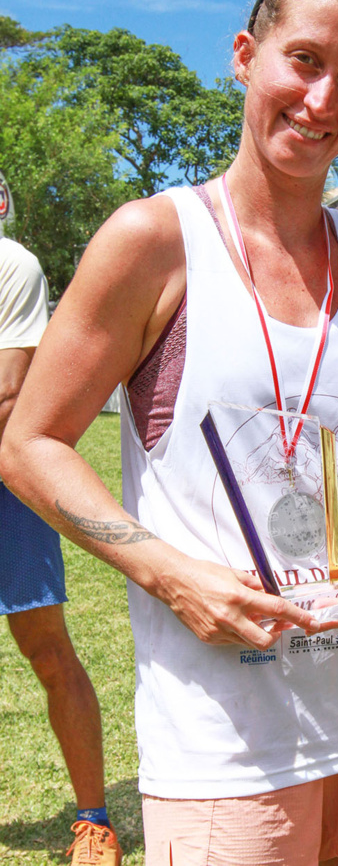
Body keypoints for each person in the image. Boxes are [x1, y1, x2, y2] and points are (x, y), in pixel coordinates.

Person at [1, 0, 338, 866]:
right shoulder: (152, 241)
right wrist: (173, 575)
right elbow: (29, 443)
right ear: (247, 57)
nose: (320, 99)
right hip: (227, 737)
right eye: (304, 60)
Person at [0, 236, 122, 866]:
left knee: (47, 650)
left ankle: (93, 820)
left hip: (6, 490)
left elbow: (9, 396)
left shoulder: (10, 264)